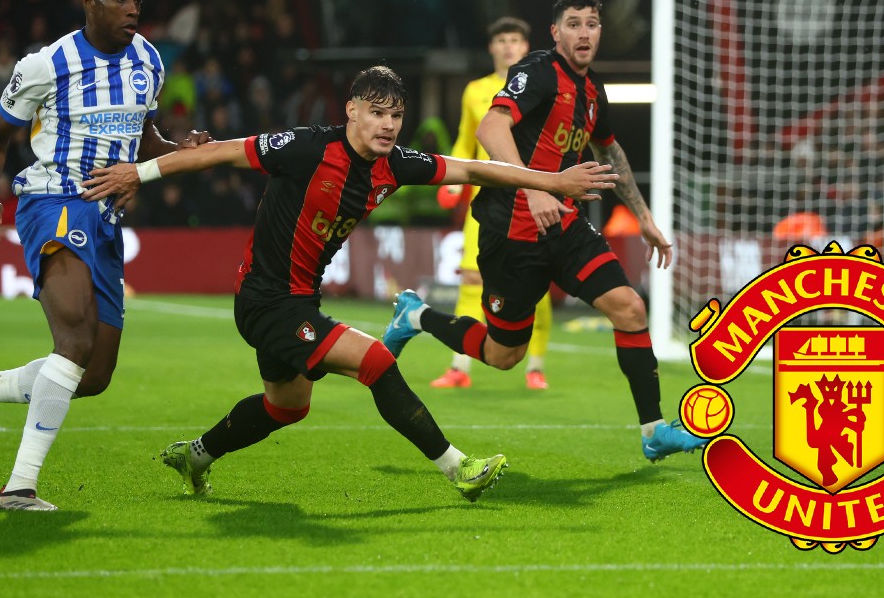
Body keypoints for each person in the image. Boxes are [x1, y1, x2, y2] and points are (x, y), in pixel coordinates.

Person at [79, 66, 617, 501]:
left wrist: (551, 180)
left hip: (296, 300)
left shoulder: (395, 165)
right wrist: (138, 174)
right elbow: (216, 152)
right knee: (377, 362)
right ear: (352, 111)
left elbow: (474, 171)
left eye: (396, 115)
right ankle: (459, 470)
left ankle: (195, 455)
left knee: (287, 406)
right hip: (266, 300)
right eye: (377, 113)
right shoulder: (306, 148)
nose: (387, 125)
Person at [0, 0, 208, 511]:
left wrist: (175, 153)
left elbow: (141, 136)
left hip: (106, 217)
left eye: (138, 0)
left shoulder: (148, 60)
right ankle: (19, 488)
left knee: (91, 374)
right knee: (72, 342)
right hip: (53, 201)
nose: (133, 9)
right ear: (89, 1)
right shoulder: (48, 64)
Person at [383, 0, 707, 463]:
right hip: (511, 232)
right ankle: (416, 317)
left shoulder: (593, 91)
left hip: (566, 227)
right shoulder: (537, 72)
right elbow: (490, 128)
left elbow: (609, 151)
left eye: (592, 24)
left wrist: (645, 218)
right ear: (556, 32)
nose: (584, 33)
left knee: (630, 308)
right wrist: (536, 186)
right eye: (573, 24)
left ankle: (653, 429)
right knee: (502, 355)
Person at [431, 17, 555, 390]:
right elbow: (465, 141)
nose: (507, 46)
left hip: (531, 194)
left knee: (537, 281)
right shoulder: (474, 91)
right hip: (486, 196)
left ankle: (535, 365)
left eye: (514, 40)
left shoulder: (541, 85)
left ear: (525, 45)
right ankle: (459, 368)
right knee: (471, 279)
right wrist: (450, 180)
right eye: (501, 39)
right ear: (492, 47)